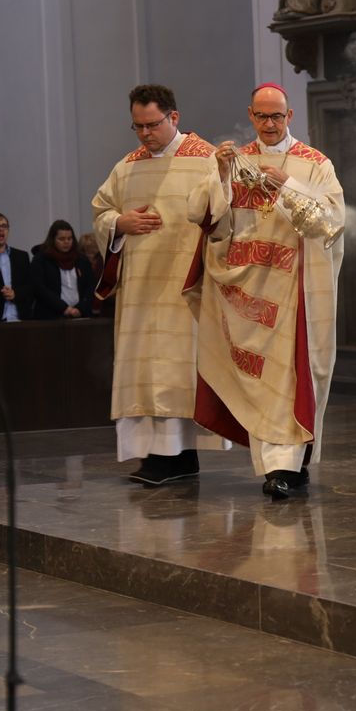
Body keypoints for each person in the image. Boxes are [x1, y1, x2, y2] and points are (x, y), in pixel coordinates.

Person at [196, 82, 345, 499]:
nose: (269, 124)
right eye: (261, 116)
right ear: (250, 115)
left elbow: (331, 223)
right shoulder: (237, 160)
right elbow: (211, 221)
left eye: (276, 116)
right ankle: (281, 468)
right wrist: (222, 176)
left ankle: (287, 468)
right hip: (248, 290)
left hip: (295, 290)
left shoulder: (315, 165)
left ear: (290, 117)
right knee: (260, 382)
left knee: (292, 378)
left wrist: (287, 186)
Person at [91, 84, 228, 486]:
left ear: (174, 117)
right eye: (137, 127)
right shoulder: (127, 166)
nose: (145, 134)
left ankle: (179, 457)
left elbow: (224, 214)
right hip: (140, 291)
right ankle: (159, 456)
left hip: (186, 288)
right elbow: (102, 209)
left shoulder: (205, 160)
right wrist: (120, 224)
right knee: (145, 373)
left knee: (177, 374)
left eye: (152, 124)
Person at [31, 219, 94, 320]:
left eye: (69, 238)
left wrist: (80, 309)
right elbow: (39, 288)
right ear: (53, 239)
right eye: (62, 239)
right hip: (50, 317)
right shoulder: (41, 259)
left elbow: (90, 287)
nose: (66, 242)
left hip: (80, 316)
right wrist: (63, 308)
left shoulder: (81, 259)